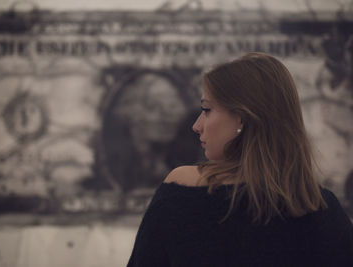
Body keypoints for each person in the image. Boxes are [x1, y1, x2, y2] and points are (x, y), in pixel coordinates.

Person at [126, 52, 353, 266]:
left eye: (206, 110)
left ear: (242, 119)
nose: (196, 126)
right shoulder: (320, 207)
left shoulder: (183, 189)